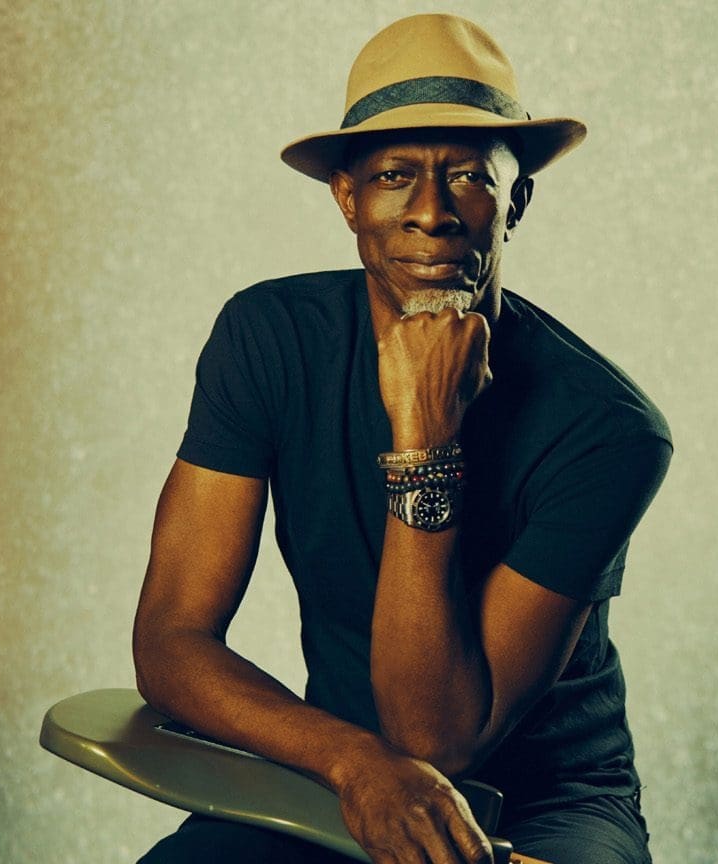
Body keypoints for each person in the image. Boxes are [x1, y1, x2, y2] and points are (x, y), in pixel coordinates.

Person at [132, 14, 671, 864]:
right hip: (336, 766)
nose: (430, 213)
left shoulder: (608, 429)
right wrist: (353, 763)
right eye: (393, 176)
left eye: (469, 177)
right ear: (347, 198)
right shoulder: (269, 337)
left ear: (516, 202)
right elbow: (172, 641)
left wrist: (425, 435)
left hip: (546, 802)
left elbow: (438, 739)